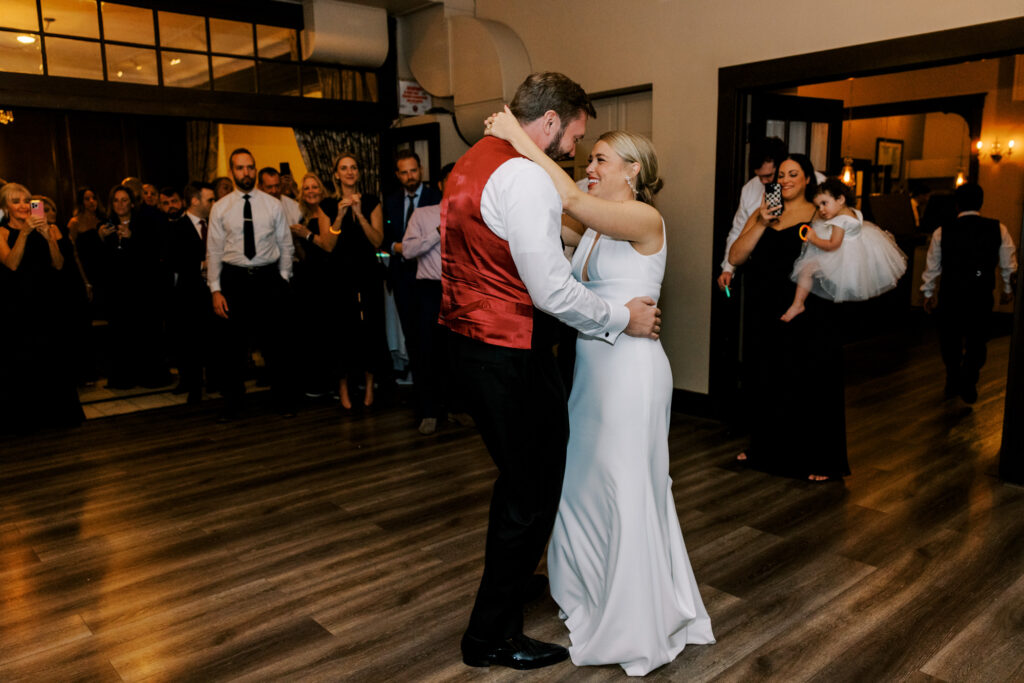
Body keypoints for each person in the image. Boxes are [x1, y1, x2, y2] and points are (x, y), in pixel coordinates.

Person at [441, 72, 661, 671]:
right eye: (575, 137)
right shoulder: (524, 179)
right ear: (550, 122)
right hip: (511, 351)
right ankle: (491, 635)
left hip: (470, 344)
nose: (574, 151)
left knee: (522, 483)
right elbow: (551, 291)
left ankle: (513, 584)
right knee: (530, 491)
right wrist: (620, 316)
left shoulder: (471, 165)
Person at [486, 107, 715, 674]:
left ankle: (635, 617)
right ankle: (591, 586)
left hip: (632, 376)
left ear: (632, 170)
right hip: (590, 374)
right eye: (589, 159)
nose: (589, 166)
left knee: (627, 484)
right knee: (584, 484)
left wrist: (519, 137)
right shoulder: (593, 227)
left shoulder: (644, 218)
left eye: (600, 159)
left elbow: (565, 198)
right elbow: (546, 222)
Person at [729, 154, 850, 482]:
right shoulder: (763, 210)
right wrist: (763, 223)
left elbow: (836, 256)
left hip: (807, 308)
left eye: (793, 173)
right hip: (764, 305)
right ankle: (764, 449)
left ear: (808, 178)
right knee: (766, 377)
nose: (784, 179)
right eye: (781, 175)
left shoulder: (820, 212)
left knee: (807, 381)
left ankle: (819, 458)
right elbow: (735, 255)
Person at [207, 148, 297, 420]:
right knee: (232, 348)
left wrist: (282, 278)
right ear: (232, 171)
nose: (246, 172)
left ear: (255, 169)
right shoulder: (220, 208)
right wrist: (215, 289)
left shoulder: (272, 205)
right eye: (240, 168)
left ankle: (283, 400)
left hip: (268, 278)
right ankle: (233, 404)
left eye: (250, 167)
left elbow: (286, 245)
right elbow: (213, 250)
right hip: (234, 280)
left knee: (276, 345)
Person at [292, 155, 387, 409]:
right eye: (344, 168)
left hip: (367, 275)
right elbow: (328, 244)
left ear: (358, 172)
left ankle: (369, 388)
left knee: (370, 331)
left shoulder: (371, 201)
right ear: (336, 175)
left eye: (353, 167)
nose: (349, 172)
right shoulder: (327, 205)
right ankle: (343, 389)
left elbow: (377, 241)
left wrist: (360, 215)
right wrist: (340, 216)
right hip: (339, 278)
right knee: (342, 333)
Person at [921, 182, 1017, 404]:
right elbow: (1008, 264)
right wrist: (1007, 288)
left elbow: (933, 266)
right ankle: (969, 379)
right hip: (981, 291)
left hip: (950, 292)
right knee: (978, 339)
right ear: (981, 202)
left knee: (950, 340)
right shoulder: (998, 228)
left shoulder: (941, 231)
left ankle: (954, 377)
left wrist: (927, 293)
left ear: (957, 204)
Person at [0, 183, 84, 433]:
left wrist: (48, 236)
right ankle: (25, 420)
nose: (24, 206)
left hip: (46, 304)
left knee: (52, 360)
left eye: (27, 201)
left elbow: (58, 264)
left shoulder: (51, 228)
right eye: (16, 201)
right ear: (6, 207)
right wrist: (24, 233)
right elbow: (11, 265)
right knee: (22, 361)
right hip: (16, 307)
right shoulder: (2, 233)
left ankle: (57, 416)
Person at [782, 178, 907, 321]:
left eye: (824, 203)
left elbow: (832, 245)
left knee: (806, 269)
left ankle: (798, 304)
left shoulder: (839, 222)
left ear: (840, 199)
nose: (821, 210)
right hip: (859, 249)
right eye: (818, 206)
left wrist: (814, 238)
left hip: (841, 254)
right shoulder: (854, 212)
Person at [401, 161, 465, 434]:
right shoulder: (422, 214)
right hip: (429, 291)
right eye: (450, 180)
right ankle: (429, 412)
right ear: (441, 184)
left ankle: (457, 408)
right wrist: (438, 231)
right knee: (427, 353)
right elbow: (407, 250)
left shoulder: (472, 214)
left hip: (460, 291)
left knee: (457, 354)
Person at [383, 150, 443, 381]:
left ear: (421, 171)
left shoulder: (436, 198)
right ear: (398, 175)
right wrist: (398, 247)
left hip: (430, 278)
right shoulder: (391, 201)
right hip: (402, 276)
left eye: (414, 171)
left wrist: (411, 246)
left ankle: (439, 391)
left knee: (433, 338)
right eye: (405, 172)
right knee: (411, 334)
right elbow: (386, 239)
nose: (410, 176)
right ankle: (419, 386)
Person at [716, 137, 788, 294]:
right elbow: (738, 230)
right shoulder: (749, 189)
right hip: (758, 270)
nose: (763, 181)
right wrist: (728, 268)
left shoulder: (804, 183)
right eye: (759, 176)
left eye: (768, 175)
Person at [165, 181, 215, 403]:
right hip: (189, 294)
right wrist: (202, 265)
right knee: (192, 342)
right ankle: (194, 387)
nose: (213, 203)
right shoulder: (177, 227)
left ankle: (216, 381)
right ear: (195, 201)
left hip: (213, 292)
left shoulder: (215, 224)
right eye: (210, 199)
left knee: (214, 340)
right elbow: (173, 260)